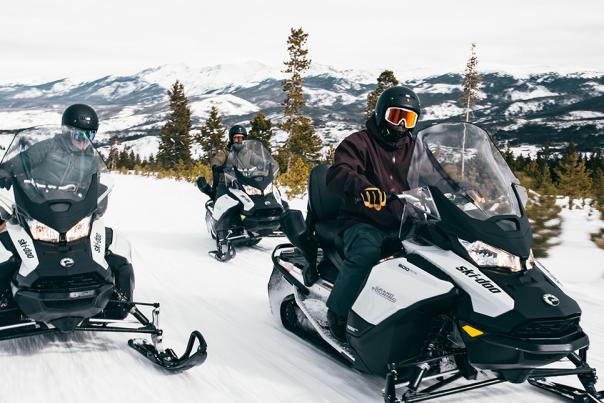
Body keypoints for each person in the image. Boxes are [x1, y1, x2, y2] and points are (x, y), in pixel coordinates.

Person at [0, 104, 134, 319]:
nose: (83, 140)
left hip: (72, 214)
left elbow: (95, 184)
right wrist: (5, 173)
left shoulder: (91, 159)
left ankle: (119, 300)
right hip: (38, 209)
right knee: (7, 245)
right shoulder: (46, 148)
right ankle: (4, 299)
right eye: (78, 134)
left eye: (89, 134)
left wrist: (99, 196)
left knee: (115, 245)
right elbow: (17, 163)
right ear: (66, 131)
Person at [324, 86, 422, 341]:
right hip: (364, 221)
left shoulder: (415, 149)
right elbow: (339, 172)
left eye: (408, 118)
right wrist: (364, 188)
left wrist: (463, 191)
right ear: (381, 114)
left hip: (406, 222)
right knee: (366, 253)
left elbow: (438, 176)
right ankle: (338, 313)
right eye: (396, 115)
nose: (401, 124)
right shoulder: (359, 142)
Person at [197, 124, 247, 200]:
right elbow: (217, 160)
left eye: (241, 138)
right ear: (231, 139)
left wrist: (266, 164)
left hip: (246, 184)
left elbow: (258, 160)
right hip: (227, 184)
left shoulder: (248, 153)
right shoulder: (226, 152)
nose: (239, 141)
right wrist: (217, 166)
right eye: (236, 138)